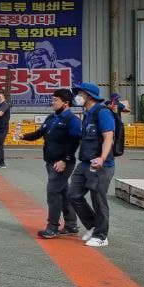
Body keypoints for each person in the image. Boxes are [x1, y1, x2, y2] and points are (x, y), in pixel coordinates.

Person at [21, 89, 83, 239]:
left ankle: (52, 227)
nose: (52, 102)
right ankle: (71, 225)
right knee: (63, 193)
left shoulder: (72, 120)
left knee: (53, 193)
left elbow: (75, 141)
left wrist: (64, 160)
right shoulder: (51, 118)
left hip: (62, 164)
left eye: (55, 100)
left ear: (66, 103)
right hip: (50, 162)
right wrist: (23, 136)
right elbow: (39, 133)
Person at [67, 83, 117, 248]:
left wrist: (102, 158)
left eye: (80, 93)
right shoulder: (87, 114)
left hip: (101, 164)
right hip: (85, 163)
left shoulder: (102, 113)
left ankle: (102, 236)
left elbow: (108, 137)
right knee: (73, 194)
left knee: (98, 199)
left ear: (88, 95)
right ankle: (93, 226)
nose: (77, 96)